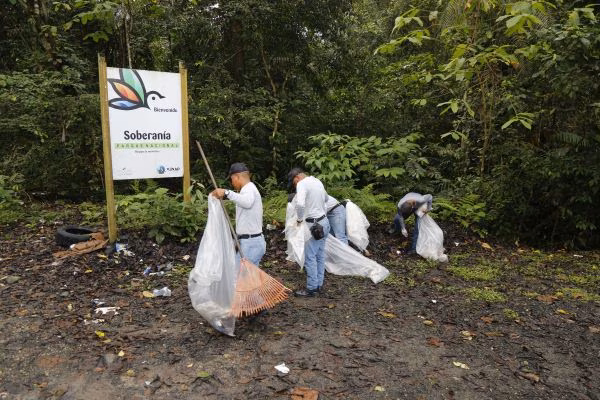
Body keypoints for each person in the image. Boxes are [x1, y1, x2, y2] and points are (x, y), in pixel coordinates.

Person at [211, 162, 266, 266]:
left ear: (236, 176)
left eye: (231, 179)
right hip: (249, 242)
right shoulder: (247, 190)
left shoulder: (249, 188)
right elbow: (243, 202)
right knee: (247, 279)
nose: (232, 183)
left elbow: (247, 202)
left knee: (240, 277)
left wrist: (227, 193)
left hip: (251, 243)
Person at [288, 167, 329, 297]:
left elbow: (300, 205)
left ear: (297, 178)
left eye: (294, 183)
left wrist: (299, 219)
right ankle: (319, 284)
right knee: (320, 254)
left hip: (314, 225)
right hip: (324, 222)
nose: (295, 186)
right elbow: (326, 198)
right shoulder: (317, 181)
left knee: (310, 256)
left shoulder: (302, 183)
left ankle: (312, 289)